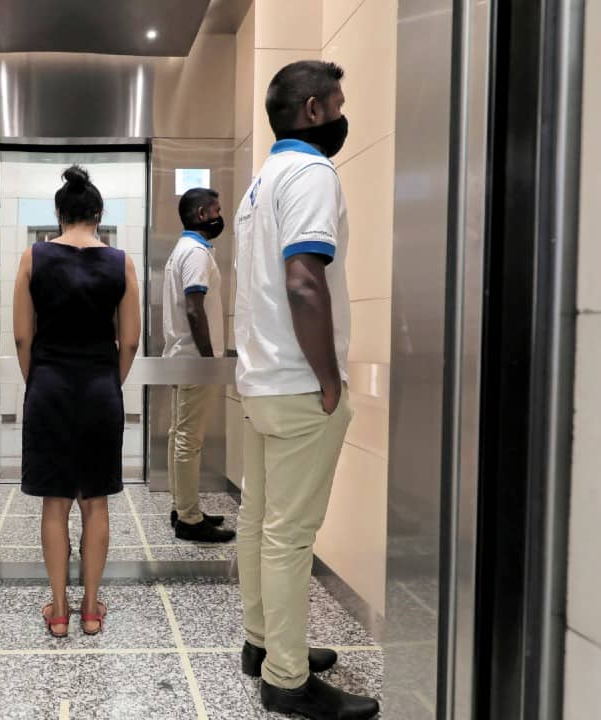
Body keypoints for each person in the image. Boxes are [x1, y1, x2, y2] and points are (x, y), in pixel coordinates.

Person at [232, 60, 380, 719]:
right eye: (339, 104)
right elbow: (302, 281)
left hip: (260, 383)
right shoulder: (313, 173)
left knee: (259, 522)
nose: (344, 116)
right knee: (289, 537)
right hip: (298, 386)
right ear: (314, 110)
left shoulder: (260, 183)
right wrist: (327, 378)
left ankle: (264, 643)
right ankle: (287, 681)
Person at [14, 166, 141, 638]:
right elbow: (130, 340)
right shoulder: (121, 262)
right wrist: (111, 381)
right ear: (98, 213)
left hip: (49, 387)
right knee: (96, 501)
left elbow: (22, 336)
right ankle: (90, 609)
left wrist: (37, 381)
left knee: (55, 502)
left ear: (59, 213)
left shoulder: (33, 257)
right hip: (100, 389)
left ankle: (59, 610)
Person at [161, 187, 236, 544]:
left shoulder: (184, 250)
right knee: (188, 440)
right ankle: (189, 519)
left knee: (179, 435)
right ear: (203, 214)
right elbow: (194, 309)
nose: (220, 216)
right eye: (217, 210)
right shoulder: (194, 253)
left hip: (183, 359)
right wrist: (209, 361)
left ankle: (182, 507)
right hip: (195, 361)